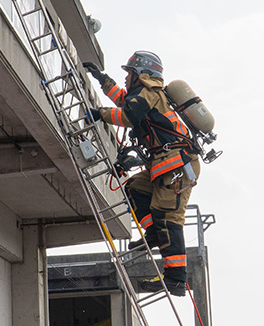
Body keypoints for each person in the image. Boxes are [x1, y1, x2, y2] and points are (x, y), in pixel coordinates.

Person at [83, 52, 201, 297]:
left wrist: (99, 113)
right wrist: (102, 79)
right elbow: (126, 101)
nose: (126, 79)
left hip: (178, 164)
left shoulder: (149, 92)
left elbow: (127, 116)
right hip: (164, 164)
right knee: (134, 189)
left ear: (141, 74)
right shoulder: (143, 95)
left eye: (129, 73)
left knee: (168, 218)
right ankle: (154, 234)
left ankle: (176, 279)